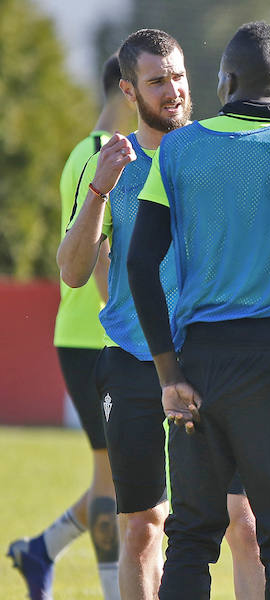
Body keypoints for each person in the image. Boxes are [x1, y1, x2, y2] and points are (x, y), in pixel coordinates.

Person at [125, 21, 270, 600]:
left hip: (198, 365)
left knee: (190, 542)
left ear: (225, 81)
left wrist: (168, 376)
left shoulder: (178, 149)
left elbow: (138, 266)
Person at [56, 29, 264, 600]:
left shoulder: (217, 155)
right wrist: (100, 189)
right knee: (143, 528)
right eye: (156, 81)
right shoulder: (108, 163)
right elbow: (73, 272)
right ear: (128, 90)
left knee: (243, 521)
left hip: (211, 359)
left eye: (177, 77)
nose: (172, 90)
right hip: (131, 363)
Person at [7, 53, 133, 600]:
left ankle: (40, 550)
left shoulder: (84, 152)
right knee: (113, 482)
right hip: (96, 339)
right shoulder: (104, 157)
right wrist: (131, 326)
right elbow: (99, 256)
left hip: (88, 337)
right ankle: (111, 591)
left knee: (122, 479)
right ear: (128, 90)